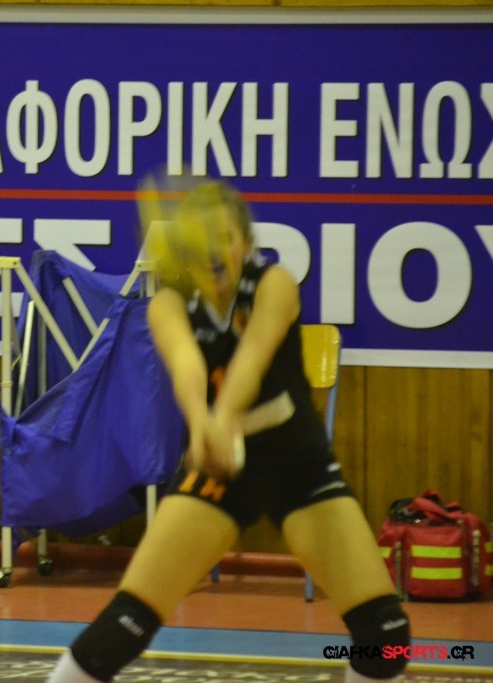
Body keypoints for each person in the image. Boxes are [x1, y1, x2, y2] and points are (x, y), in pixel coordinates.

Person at [47, 182, 410, 682]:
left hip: (299, 465)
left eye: (227, 237)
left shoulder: (275, 283)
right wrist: (202, 423)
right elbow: (187, 368)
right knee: (125, 624)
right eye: (204, 239)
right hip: (220, 471)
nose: (217, 251)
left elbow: (252, 357)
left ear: (246, 242)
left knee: (386, 635)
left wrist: (222, 419)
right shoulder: (168, 303)